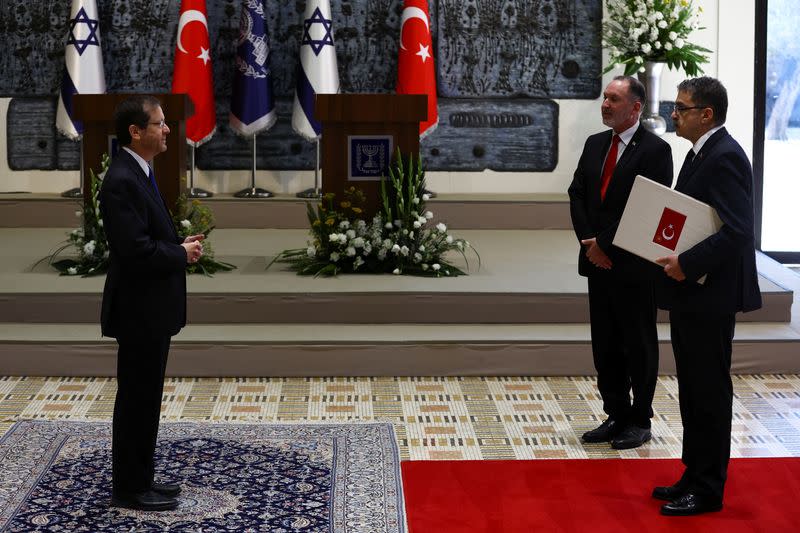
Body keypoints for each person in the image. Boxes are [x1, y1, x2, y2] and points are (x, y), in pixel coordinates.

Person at [654, 77, 761, 516]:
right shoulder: (700, 153)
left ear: (707, 115)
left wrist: (689, 262)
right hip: (691, 292)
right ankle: (692, 474)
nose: (674, 114)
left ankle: (709, 488)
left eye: (681, 108)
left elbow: (739, 232)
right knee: (693, 388)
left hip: (711, 292)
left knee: (710, 390)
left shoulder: (726, 156)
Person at [100, 95, 204, 511]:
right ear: (135, 132)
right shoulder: (122, 179)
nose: (167, 130)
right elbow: (135, 251)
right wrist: (180, 254)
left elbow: (145, 239)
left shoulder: (138, 171)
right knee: (137, 400)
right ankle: (128, 488)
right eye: (159, 124)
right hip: (139, 311)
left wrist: (177, 245)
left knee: (145, 398)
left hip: (151, 309)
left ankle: (140, 477)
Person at [568, 76, 673, 450]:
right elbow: (577, 193)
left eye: (614, 99)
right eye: (604, 98)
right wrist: (590, 244)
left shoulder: (655, 150)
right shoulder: (595, 144)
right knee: (606, 342)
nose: (605, 104)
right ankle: (615, 413)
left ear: (636, 108)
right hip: (597, 261)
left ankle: (640, 419)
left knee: (638, 342)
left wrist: (606, 244)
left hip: (632, 264)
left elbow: (648, 208)